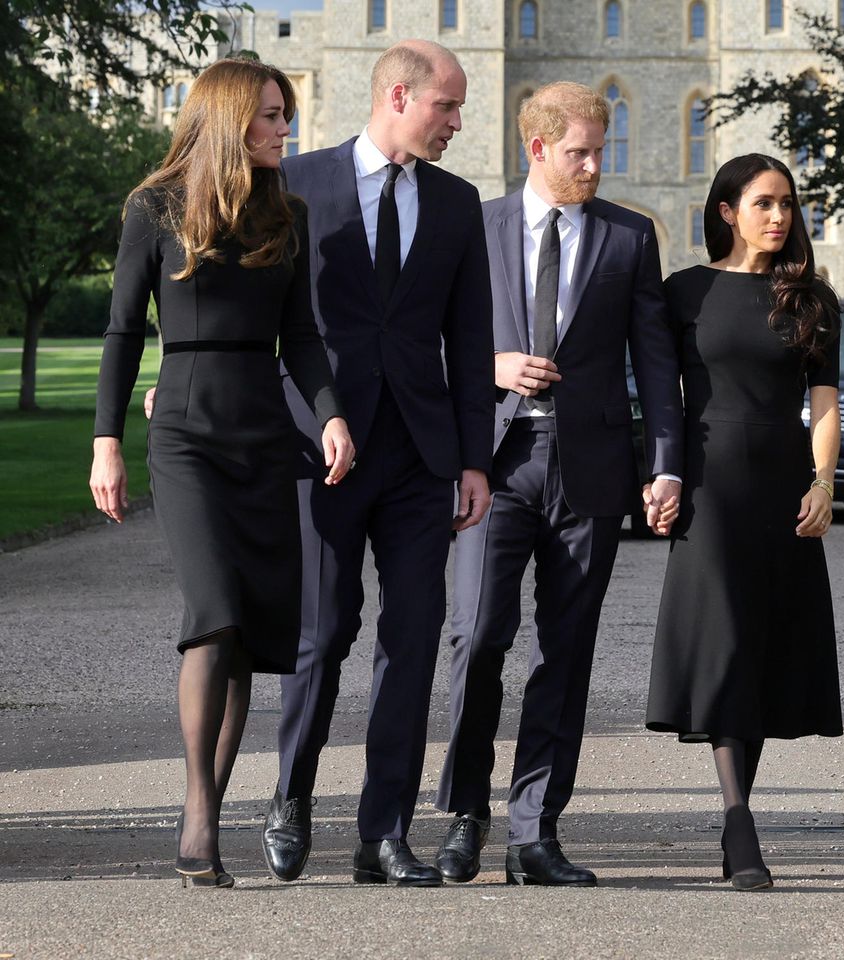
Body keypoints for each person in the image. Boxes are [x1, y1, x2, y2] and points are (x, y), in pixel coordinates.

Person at [89, 58, 354, 889]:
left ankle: (206, 806)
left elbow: (301, 334)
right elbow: (122, 331)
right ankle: (200, 816)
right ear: (231, 118)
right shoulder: (154, 206)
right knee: (213, 613)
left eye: (285, 114)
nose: (285, 128)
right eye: (271, 115)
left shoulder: (288, 212)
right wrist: (105, 441)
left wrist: (331, 414)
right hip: (186, 435)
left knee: (249, 630)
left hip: (265, 435)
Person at [432, 82, 684, 887]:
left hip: (592, 470)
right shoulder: (476, 225)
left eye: (600, 151)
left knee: (565, 652)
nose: (595, 166)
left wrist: (665, 461)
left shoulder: (629, 237)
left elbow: (654, 360)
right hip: (495, 465)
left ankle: (534, 832)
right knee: (476, 635)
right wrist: (492, 366)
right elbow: (426, 341)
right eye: (580, 152)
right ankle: (466, 815)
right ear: (537, 148)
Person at [260, 40, 494, 888]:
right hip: (322, 449)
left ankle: (383, 832)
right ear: (399, 96)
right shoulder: (297, 185)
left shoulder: (458, 202)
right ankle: (290, 797)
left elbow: (471, 340)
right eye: (447, 106)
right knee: (322, 633)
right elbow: (263, 317)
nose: (457, 122)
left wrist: (474, 461)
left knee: (414, 636)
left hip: (422, 456)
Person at [645, 153, 843, 891]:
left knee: (760, 647)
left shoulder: (812, 298)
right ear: (727, 211)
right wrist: (659, 473)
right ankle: (738, 822)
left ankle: (739, 819)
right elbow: (661, 394)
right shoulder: (683, 292)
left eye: (787, 203)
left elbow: (826, 403)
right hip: (709, 487)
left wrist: (823, 483)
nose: (780, 216)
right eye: (764, 202)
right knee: (725, 642)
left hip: (784, 486)